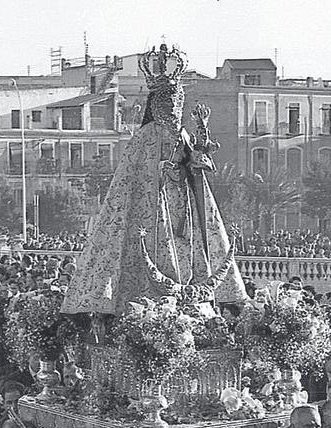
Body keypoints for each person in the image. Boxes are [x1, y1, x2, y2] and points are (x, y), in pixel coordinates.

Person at [60, 43, 244, 316]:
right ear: (157, 105)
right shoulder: (146, 136)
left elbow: (198, 160)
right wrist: (162, 169)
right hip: (153, 203)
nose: (174, 108)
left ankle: (190, 293)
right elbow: (136, 175)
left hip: (181, 200)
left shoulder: (181, 133)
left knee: (184, 245)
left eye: (178, 103)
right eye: (169, 102)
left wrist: (201, 133)